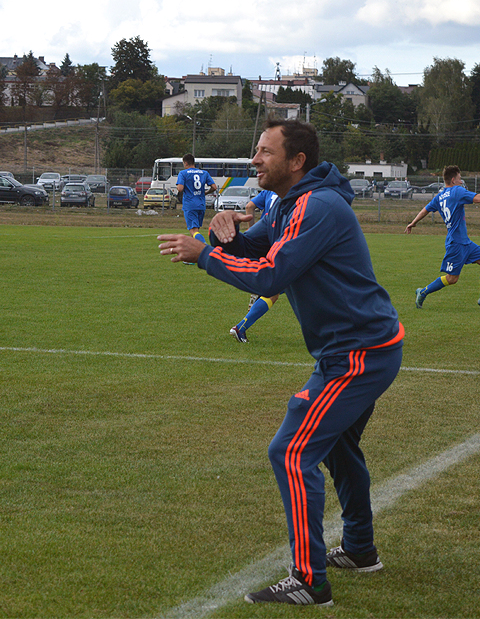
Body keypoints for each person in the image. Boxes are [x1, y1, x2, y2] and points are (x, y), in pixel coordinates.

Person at [158, 118, 403, 606]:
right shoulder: (294, 202)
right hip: (365, 345)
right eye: (256, 150)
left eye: (265, 152)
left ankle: (310, 580)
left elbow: (272, 275)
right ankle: (359, 549)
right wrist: (224, 233)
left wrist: (204, 255)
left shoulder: (319, 206)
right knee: (337, 449)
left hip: (358, 352)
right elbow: (256, 246)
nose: (255, 160)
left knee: (291, 451)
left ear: (297, 162)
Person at [406, 165, 480, 309]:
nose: (461, 181)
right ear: (453, 180)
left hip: (465, 242)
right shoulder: (456, 191)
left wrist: (413, 223)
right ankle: (423, 291)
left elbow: (424, 210)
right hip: (456, 243)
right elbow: (477, 199)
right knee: (452, 279)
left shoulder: (440, 196)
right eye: (459, 178)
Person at [229, 189, 280, 343]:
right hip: (279, 243)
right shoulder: (296, 191)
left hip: (262, 240)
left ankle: (257, 291)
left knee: (276, 290)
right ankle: (240, 327)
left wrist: (251, 228)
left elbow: (249, 206)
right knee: (275, 291)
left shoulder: (269, 191)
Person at [175, 153, 217, 248]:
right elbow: (214, 187)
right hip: (201, 205)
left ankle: (205, 247)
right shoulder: (204, 173)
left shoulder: (183, 173)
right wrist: (205, 193)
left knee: (193, 231)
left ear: (185, 163)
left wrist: (179, 185)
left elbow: (180, 189)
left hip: (190, 205)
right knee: (196, 230)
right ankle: (195, 257)